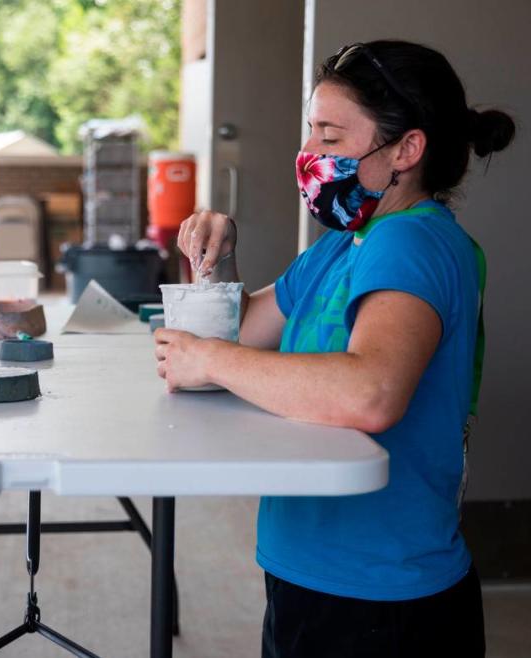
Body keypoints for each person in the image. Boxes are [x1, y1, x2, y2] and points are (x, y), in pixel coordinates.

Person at [155, 40, 515, 657]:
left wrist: (208, 360)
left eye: (330, 137)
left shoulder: (413, 243)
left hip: (381, 594)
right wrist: (220, 254)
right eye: (311, 133)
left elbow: (370, 392)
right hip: (316, 568)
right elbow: (240, 331)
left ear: (406, 149)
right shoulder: (342, 244)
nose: (309, 155)